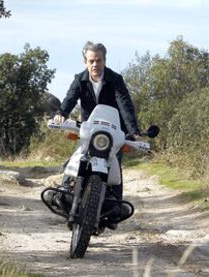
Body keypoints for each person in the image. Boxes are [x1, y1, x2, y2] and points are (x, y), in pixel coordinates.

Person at [49, 41, 141, 228]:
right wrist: (61, 114)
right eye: (91, 60)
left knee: (115, 164)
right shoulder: (80, 79)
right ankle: (63, 192)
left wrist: (133, 132)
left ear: (104, 61)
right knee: (77, 157)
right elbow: (70, 98)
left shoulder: (115, 79)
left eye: (99, 60)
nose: (95, 65)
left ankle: (115, 206)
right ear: (85, 62)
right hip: (90, 129)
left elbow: (125, 105)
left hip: (113, 132)